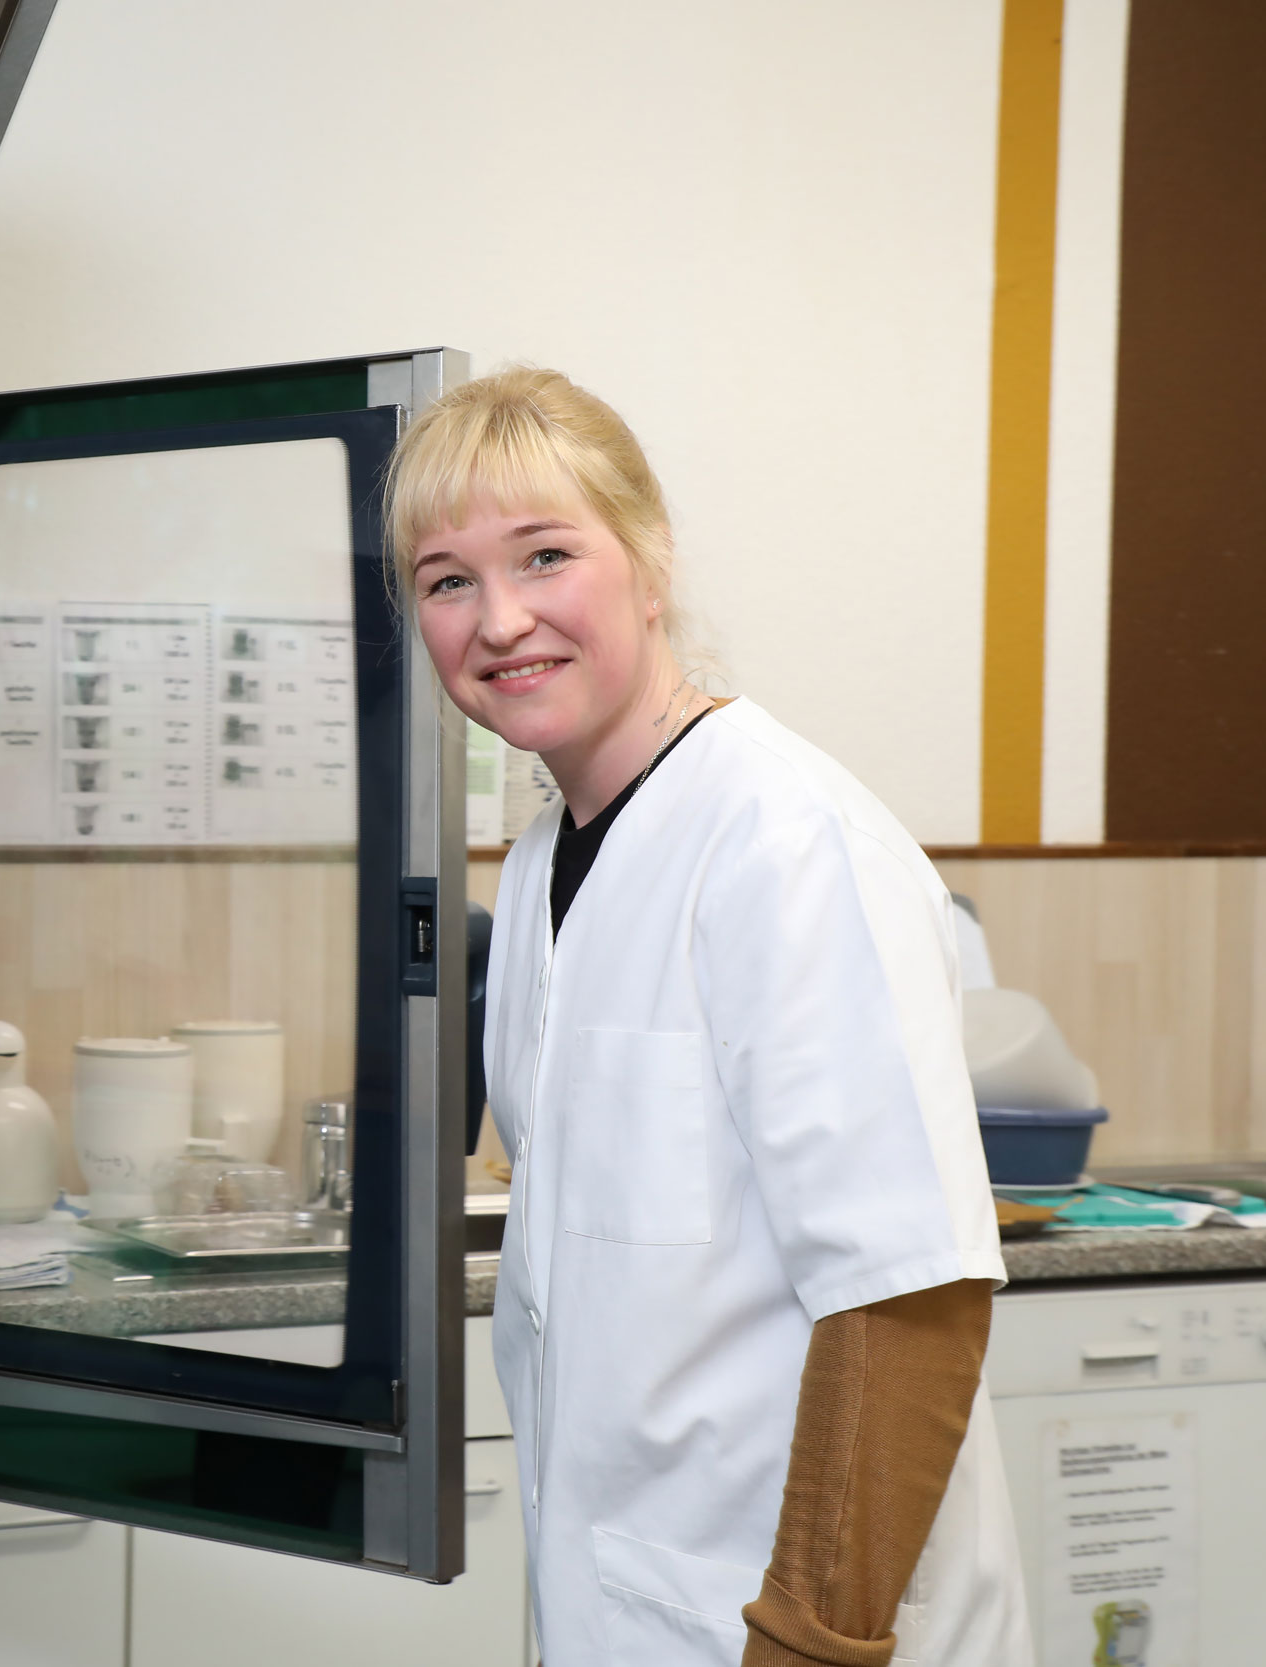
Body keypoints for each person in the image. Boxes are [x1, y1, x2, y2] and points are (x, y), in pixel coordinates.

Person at [393, 367, 1027, 1666]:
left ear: (650, 558)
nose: (500, 620)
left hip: (800, 1628)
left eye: (546, 555)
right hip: (634, 1606)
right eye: (448, 580)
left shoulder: (788, 844)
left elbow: (910, 1301)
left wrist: (808, 1641)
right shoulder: (541, 865)